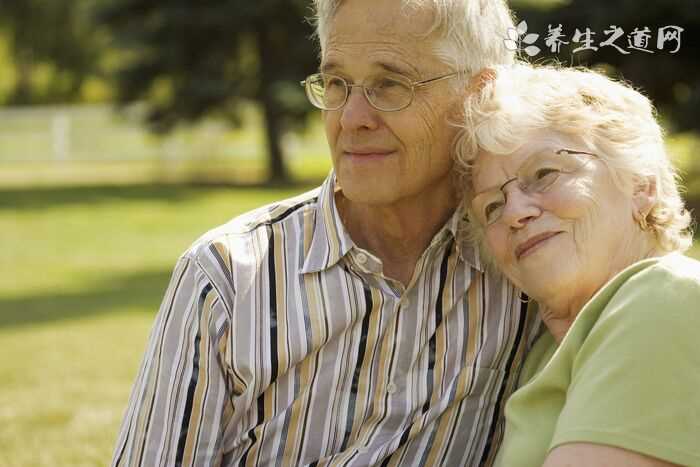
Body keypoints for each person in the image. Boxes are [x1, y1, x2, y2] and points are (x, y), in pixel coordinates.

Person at [111, 1, 541, 465]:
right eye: (336, 83)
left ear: (479, 95)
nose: (351, 118)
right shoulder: (226, 278)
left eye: (389, 84)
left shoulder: (524, 265)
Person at [456, 63, 700, 467]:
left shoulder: (661, 298)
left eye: (544, 173)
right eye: (492, 206)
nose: (514, 211)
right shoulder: (546, 353)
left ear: (642, 184)